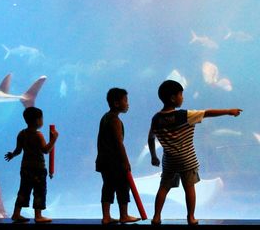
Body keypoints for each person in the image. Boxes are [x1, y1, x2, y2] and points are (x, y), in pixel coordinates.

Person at [148, 80, 242, 225]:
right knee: (189, 188)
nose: (183, 98)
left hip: (169, 160)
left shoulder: (156, 118)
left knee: (163, 188)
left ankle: (156, 217)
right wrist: (229, 111)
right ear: (173, 98)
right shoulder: (184, 115)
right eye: (181, 95)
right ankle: (191, 217)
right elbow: (207, 113)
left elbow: (151, 138)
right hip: (187, 160)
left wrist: (154, 156)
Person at [5, 107, 59, 223]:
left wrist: (12, 155)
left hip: (25, 168)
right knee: (39, 191)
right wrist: (54, 139)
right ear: (38, 121)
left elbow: (18, 150)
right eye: (41, 118)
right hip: (38, 169)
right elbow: (45, 150)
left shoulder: (21, 133)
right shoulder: (38, 135)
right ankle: (38, 216)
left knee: (23, 190)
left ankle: (16, 214)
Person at [95, 87, 140, 225]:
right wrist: (126, 162)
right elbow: (119, 144)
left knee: (108, 187)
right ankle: (124, 215)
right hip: (115, 162)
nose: (127, 104)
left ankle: (106, 216)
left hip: (103, 161)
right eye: (125, 100)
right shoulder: (115, 120)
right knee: (122, 187)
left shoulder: (105, 117)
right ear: (116, 103)